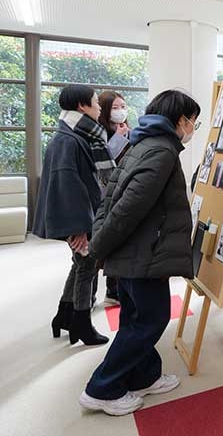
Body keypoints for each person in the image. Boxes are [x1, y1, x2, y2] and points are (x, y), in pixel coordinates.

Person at [79, 89, 201, 416]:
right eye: (193, 122)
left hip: (134, 253)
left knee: (137, 317)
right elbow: (128, 208)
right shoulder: (162, 152)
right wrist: (99, 247)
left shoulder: (140, 143)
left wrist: (102, 241)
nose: (193, 128)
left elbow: (110, 198)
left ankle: (144, 376)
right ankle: (101, 388)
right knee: (151, 319)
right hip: (144, 255)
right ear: (180, 120)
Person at [33, 84, 114, 346]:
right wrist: (78, 228)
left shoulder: (77, 134)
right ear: (82, 105)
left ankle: (64, 315)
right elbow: (68, 184)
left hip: (85, 212)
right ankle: (81, 321)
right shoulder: (69, 139)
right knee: (88, 264)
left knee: (80, 264)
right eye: (95, 101)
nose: (99, 106)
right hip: (81, 217)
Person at [95, 90, 132, 306]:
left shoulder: (127, 129)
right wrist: (119, 138)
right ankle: (106, 291)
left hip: (122, 191)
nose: (120, 112)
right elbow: (104, 162)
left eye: (123, 107)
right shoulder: (99, 133)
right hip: (104, 194)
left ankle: (114, 289)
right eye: (115, 107)